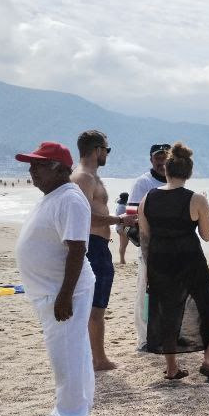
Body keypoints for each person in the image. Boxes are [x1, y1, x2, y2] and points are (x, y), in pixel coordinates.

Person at [13, 142, 95, 416]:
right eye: (31, 164)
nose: (31, 170)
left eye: (38, 165)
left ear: (59, 168)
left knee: (67, 355)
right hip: (50, 290)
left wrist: (64, 295)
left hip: (62, 291)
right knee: (74, 352)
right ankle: (72, 408)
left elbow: (77, 248)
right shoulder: (55, 195)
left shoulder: (70, 198)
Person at [137, 142, 209, 382]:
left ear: (166, 170)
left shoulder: (148, 198)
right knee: (206, 306)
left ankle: (172, 367)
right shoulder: (196, 199)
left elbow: (145, 235)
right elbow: (207, 236)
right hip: (189, 260)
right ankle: (208, 360)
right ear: (189, 173)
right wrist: (203, 207)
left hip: (160, 260)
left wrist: (148, 267)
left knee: (167, 310)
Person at [71, 130, 127, 371]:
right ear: (97, 150)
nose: (107, 154)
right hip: (92, 246)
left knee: (95, 304)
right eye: (107, 149)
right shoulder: (84, 177)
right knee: (95, 306)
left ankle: (94, 357)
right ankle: (98, 359)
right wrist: (117, 219)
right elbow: (82, 216)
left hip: (99, 244)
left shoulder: (91, 176)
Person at [129, 144, 170, 349]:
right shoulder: (143, 182)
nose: (162, 160)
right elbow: (131, 215)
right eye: (158, 156)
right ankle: (144, 338)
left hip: (172, 248)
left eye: (166, 156)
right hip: (149, 247)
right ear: (151, 159)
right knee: (145, 292)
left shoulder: (175, 182)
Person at [114, 192, 130, 263]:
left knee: (122, 245)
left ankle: (122, 260)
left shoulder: (120, 205)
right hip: (122, 228)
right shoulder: (123, 207)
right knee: (124, 245)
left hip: (119, 228)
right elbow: (124, 219)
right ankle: (122, 260)